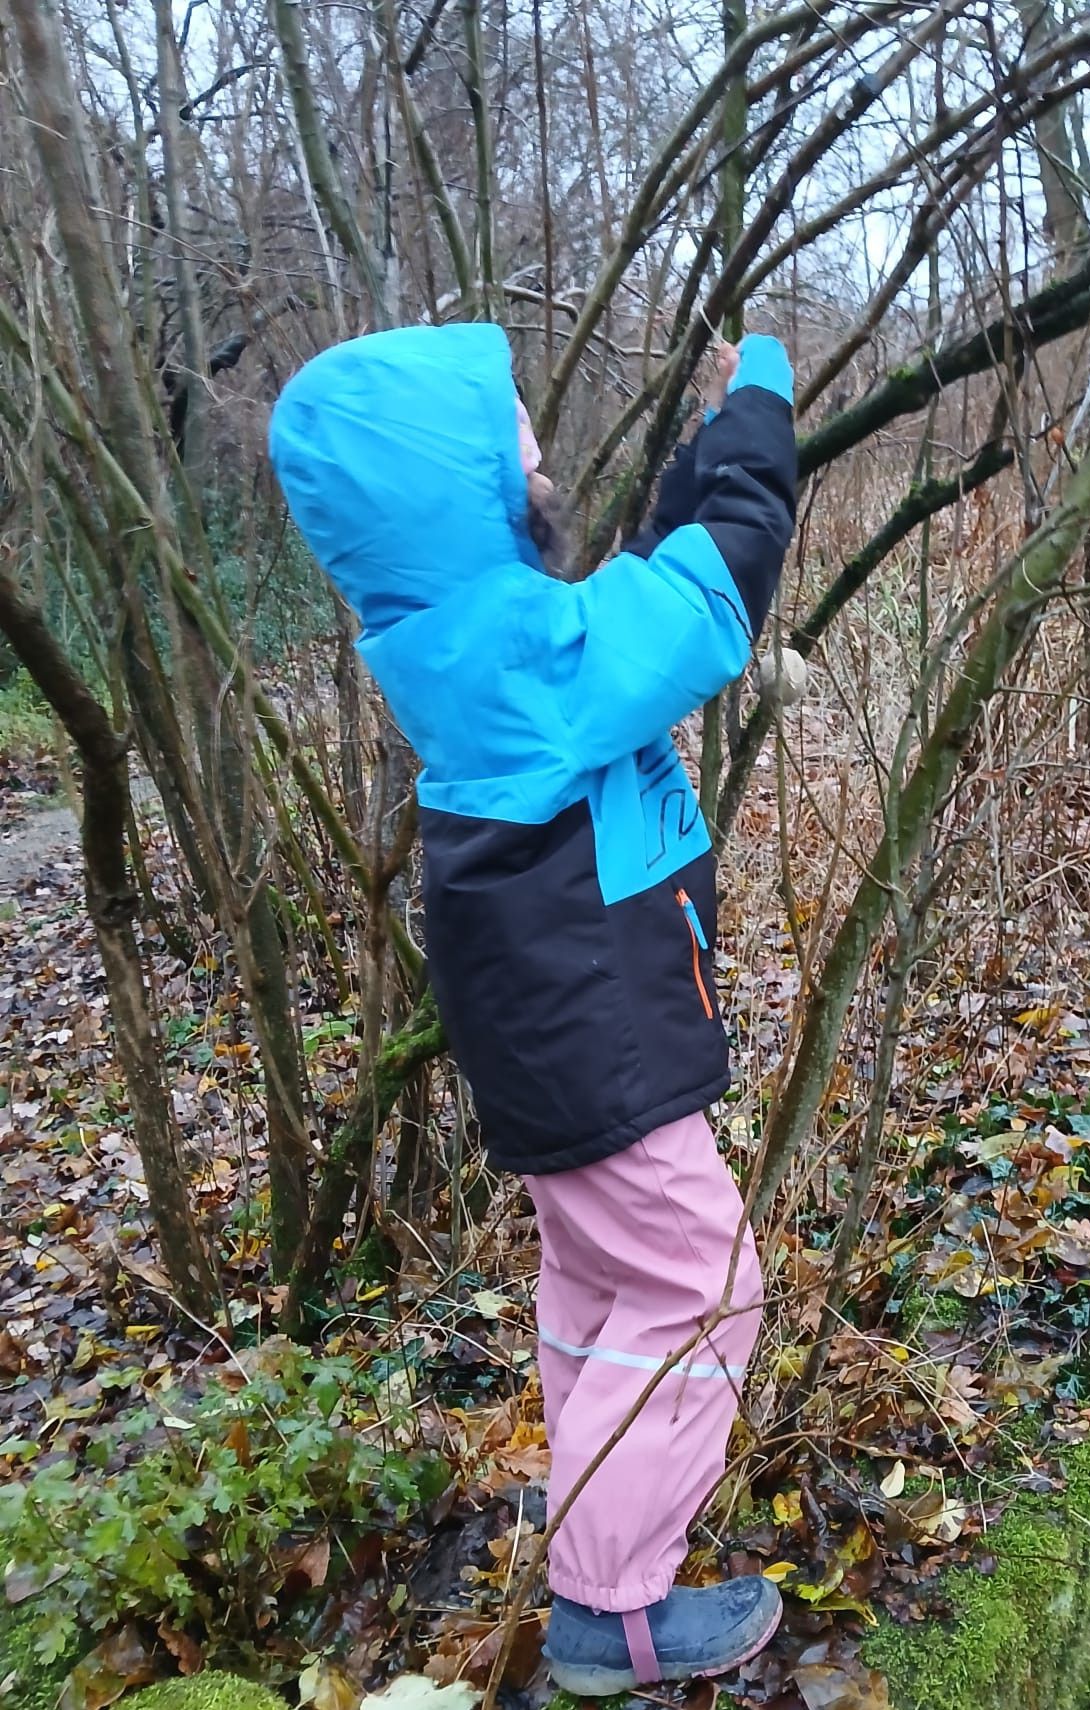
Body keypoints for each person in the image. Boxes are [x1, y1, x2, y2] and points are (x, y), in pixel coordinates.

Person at [268, 322, 798, 1695]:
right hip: (592, 1024)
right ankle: (608, 1606)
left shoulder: (464, 635)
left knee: (600, 1280)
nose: (539, 448)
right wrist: (754, 434)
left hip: (545, 1031)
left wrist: (685, 472)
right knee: (700, 1281)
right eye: (513, 434)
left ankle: (590, 1506)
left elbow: (624, 601)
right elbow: (697, 606)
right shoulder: (521, 653)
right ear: (449, 489)